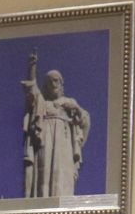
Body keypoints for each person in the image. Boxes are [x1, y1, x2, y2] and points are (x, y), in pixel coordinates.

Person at [20, 53, 91, 198]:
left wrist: (76, 108)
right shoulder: (43, 103)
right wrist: (32, 67)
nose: (54, 84)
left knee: (63, 173)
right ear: (46, 85)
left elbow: (85, 121)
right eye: (50, 81)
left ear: (61, 83)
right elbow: (32, 90)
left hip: (64, 143)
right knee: (44, 173)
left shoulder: (70, 101)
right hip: (45, 140)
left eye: (57, 80)